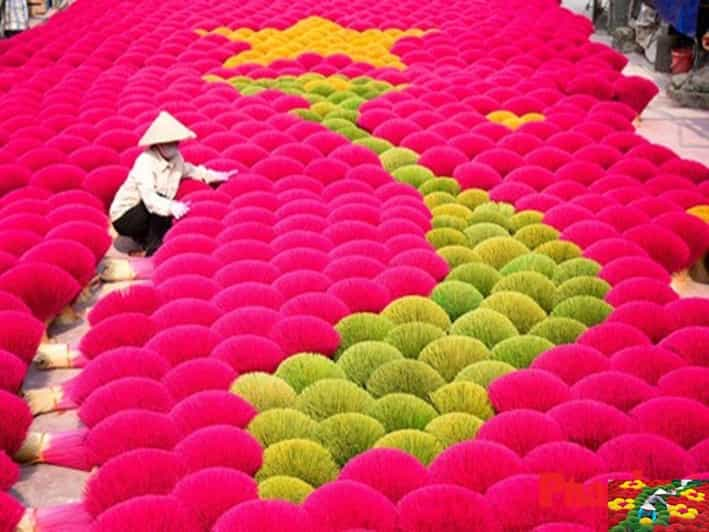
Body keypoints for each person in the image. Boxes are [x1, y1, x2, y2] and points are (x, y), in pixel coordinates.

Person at [109, 111, 236, 256]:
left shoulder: (176, 158)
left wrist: (215, 175)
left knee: (165, 209)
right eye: (168, 142)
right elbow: (150, 198)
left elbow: (190, 170)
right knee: (162, 202)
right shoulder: (145, 162)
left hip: (147, 210)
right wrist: (171, 206)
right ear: (157, 144)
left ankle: (143, 241)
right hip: (125, 216)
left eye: (175, 141)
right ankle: (154, 250)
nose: (173, 145)